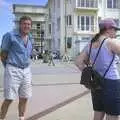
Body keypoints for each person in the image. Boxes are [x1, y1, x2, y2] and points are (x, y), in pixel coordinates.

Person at [75, 18, 120, 120]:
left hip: (96, 83)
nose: (116, 32)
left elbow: (78, 62)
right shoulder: (110, 42)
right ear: (108, 29)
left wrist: (90, 72)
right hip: (111, 84)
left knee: (98, 114)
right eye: (115, 29)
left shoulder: (90, 44)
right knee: (112, 116)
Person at [0, 16, 34, 120]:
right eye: (24, 23)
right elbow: (3, 54)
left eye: (28, 24)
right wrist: (9, 67)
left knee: (24, 97)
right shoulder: (10, 36)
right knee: (9, 98)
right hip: (13, 69)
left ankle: (21, 118)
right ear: (20, 24)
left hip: (26, 70)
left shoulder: (30, 37)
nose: (26, 26)